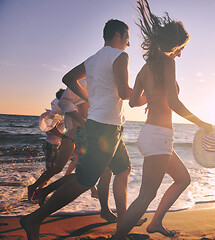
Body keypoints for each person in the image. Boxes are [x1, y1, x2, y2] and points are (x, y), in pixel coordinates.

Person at [20, 19, 145, 240]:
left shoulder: (94, 58)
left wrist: (89, 96)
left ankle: (122, 227)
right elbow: (126, 94)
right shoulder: (120, 56)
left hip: (109, 126)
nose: (128, 41)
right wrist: (149, 96)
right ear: (117, 35)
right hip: (105, 127)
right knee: (84, 180)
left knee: (123, 169)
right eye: (126, 36)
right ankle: (34, 219)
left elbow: (67, 78)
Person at [112, 1, 213, 239]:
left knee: (182, 178)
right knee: (146, 195)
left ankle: (155, 222)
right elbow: (174, 103)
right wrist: (203, 124)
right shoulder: (168, 62)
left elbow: (132, 101)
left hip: (152, 136)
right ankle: (118, 237)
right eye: (181, 46)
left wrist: (151, 99)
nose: (181, 51)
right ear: (173, 44)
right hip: (159, 137)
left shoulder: (145, 69)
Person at [35, 78, 117, 223]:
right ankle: (40, 196)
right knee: (92, 174)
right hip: (81, 136)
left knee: (88, 174)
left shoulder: (75, 101)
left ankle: (43, 192)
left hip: (82, 136)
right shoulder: (76, 101)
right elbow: (80, 120)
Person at [28, 89, 65, 197]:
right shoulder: (54, 114)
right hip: (51, 143)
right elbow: (51, 129)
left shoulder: (60, 112)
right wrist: (66, 137)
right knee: (52, 169)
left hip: (55, 143)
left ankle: (40, 189)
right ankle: (38, 190)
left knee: (53, 169)